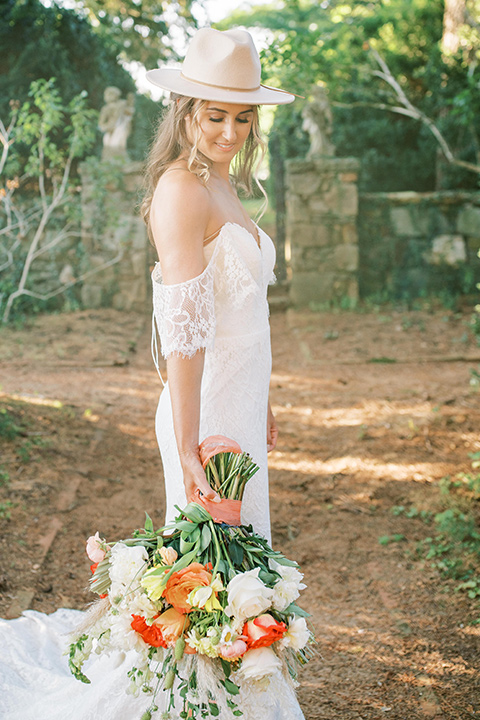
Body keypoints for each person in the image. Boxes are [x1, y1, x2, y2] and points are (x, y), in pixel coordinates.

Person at [0, 27, 305, 720]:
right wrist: (194, 441)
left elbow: (247, 318)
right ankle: (187, 704)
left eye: (242, 116)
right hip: (203, 412)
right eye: (215, 114)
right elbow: (186, 333)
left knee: (242, 564)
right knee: (208, 575)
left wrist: (261, 404)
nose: (229, 130)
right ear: (184, 111)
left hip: (238, 404)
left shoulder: (226, 186)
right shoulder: (180, 190)